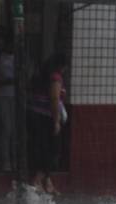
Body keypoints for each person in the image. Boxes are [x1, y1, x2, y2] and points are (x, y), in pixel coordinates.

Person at [27, 52, 67, 194]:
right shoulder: (55, 77)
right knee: (53, 150)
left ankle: (47, 182)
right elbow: (54, 99)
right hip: (46, 117)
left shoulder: (41, 74)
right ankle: (37, 180)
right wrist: (56, 121)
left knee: (42, 148)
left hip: (35, 115)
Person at [0, 37, 15, 172]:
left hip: (16, 96)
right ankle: (5, 161)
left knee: (14, 130)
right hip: (2, 95)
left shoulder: (21, 57)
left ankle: (13, 160)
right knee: (5, 128)